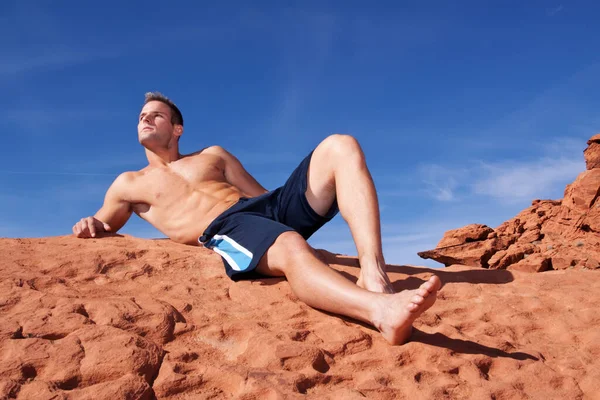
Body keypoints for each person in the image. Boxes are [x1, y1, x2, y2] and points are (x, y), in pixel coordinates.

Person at [72, 92, 441, 345]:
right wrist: (90, 223)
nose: (145, 119)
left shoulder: (214, 155)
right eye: (141, 117)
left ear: (177, 128)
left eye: (155, 115)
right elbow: (103, 224)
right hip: (225, 227)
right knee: (288, 244)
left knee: (340, 145)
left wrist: (297, 202)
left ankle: (374, 275)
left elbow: (260, 193)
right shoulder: (128, 183)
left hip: (266, 208)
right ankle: (380, 312)